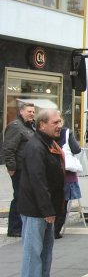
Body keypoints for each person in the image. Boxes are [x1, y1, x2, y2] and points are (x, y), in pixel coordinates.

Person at [18, 108, 65, 277]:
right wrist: (47, 210)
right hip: (36, 208)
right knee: (33, 250)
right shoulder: (36, 146)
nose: (59, 125)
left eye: (60, 121)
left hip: (46, 207)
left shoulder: (48, 143)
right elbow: (38, 181)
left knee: (46, 248)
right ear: (42, 125)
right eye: (55, 122)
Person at [3, 101, 36, 237]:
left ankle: (21, 226)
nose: (32, 114)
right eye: (29, 111)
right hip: (19, 169)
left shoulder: (29, 127)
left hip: (28, 168)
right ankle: (14, 228)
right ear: (21, 111)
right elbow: (8, 149)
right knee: (18, 197)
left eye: (33, 112)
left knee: (24, 197)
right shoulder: (16, 126)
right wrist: (11, 168)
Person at [55, 123, 82, 238]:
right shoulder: (66, 132)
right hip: (66, 173)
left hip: (52, 172)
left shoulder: (42, 133)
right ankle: (56, 230)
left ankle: (50, 229)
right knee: (63, 203)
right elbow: (76, 149)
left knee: (54, 201)